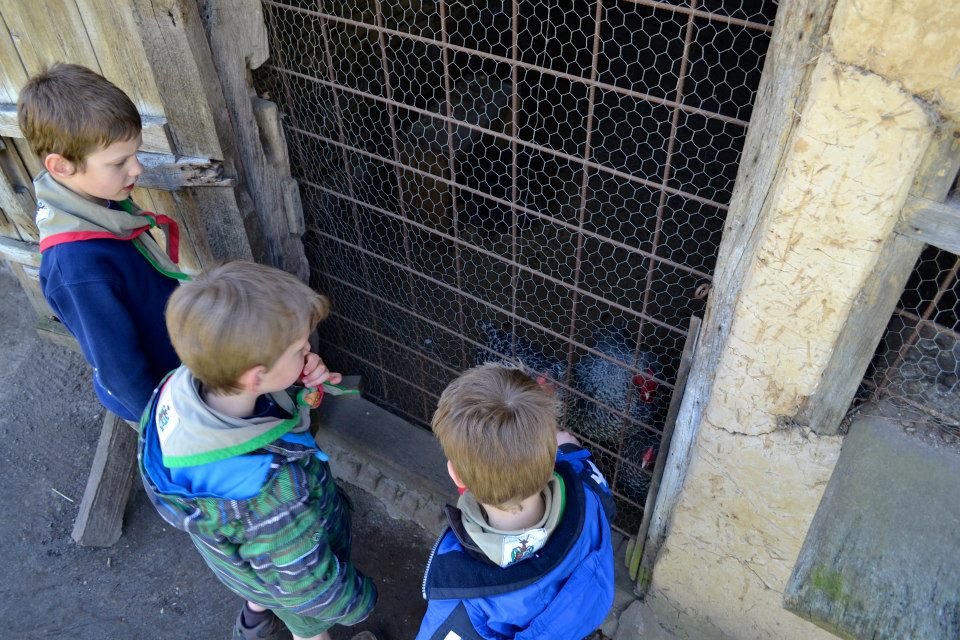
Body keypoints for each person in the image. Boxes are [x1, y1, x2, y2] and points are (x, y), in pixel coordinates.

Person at [137, 261, 378, 640]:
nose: (308, 352)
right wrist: (358, 601)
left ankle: (254, 616)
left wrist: (296, 382)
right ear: (256, 376)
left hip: (243, 561)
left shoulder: (178, 392)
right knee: (310, 628)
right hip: (290, 576)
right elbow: (308, 588)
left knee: (261, 567)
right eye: (300, 349)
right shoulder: (270, 493)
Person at [17, 63, 186, 422]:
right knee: (185, 475)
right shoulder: (77, 267)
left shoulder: (98, 200)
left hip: (178, 369)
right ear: (62, 166)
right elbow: (118, 368)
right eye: (120, 161)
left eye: (136, 153)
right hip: (157, 402)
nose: (137, 168)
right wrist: (165, 430)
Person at [416, 363, 616, 640]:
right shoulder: (586, 489)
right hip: (582, 617)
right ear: (551, 457)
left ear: (456, 476)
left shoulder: (464, 594)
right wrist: (569, 453)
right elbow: (605, 500)